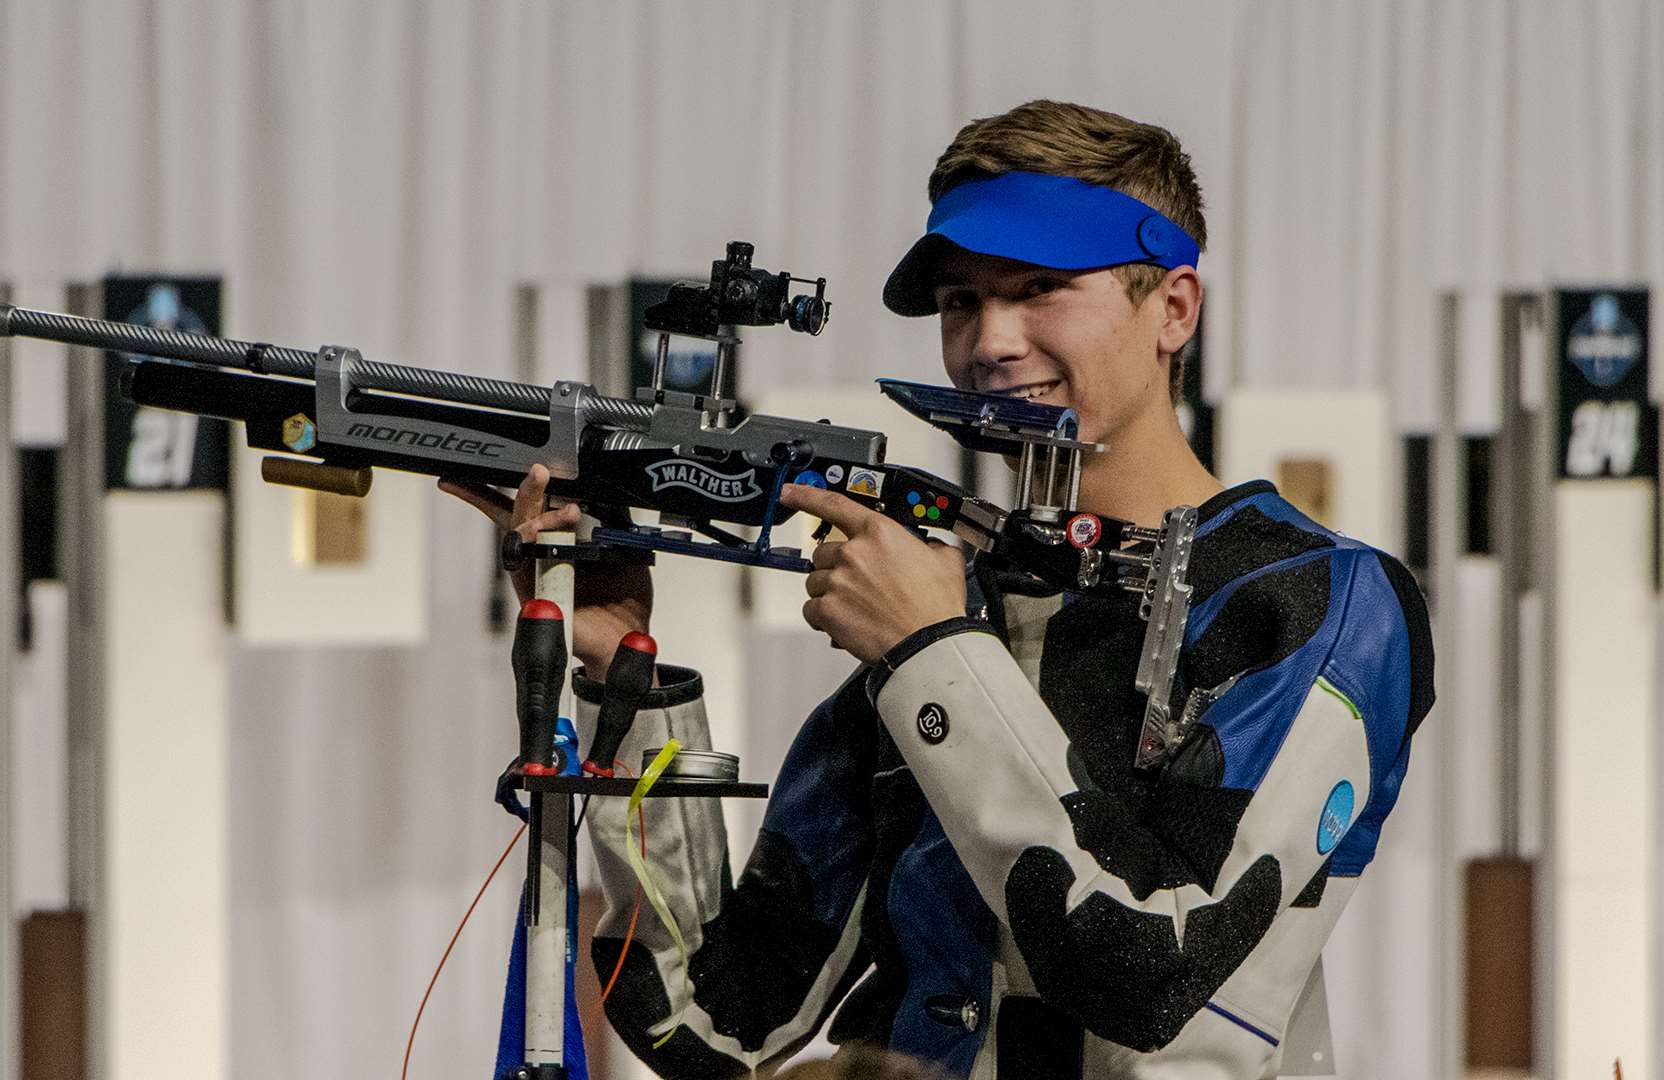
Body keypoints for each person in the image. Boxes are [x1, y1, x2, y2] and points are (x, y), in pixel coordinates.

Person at [442, 100, 1433, 1079]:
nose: (990, 341)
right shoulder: (963, 598)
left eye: (1041, 288)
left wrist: (932, 652)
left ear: (1174, 309)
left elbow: (1148, 972)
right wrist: (623, 665)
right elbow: (716, 1023)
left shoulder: (1324, 600)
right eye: (961, 302)